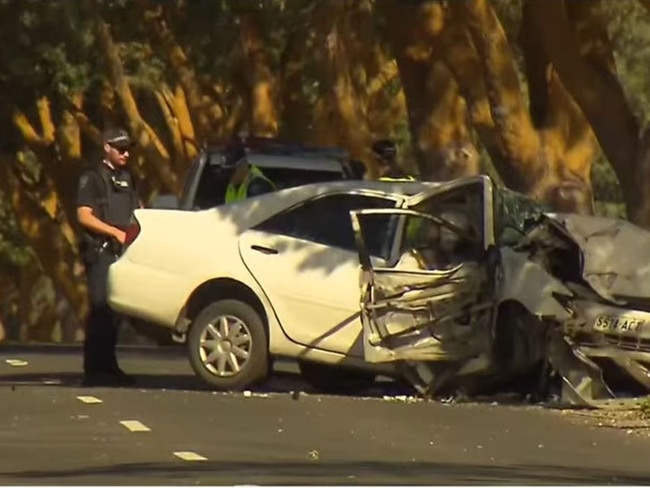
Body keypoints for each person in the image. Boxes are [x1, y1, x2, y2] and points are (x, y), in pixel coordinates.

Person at [76, 128, 140, 387]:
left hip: (123, 254)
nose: (125, 153)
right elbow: (84, 215)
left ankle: (109, 366)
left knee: (115, 313)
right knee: (100, 309)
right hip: (101, 251)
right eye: (119, 148)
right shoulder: (92, 178)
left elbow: (138, 209)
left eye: (127, 149)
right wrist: (114, 232)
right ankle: (94, 370)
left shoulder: (129, 178)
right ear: (106, 148)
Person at [223, 136, 276, 203]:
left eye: (231, 171)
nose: (229, 176)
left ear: (243, 165)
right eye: (226, 172)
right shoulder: (232, 187)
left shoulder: (258, 188)